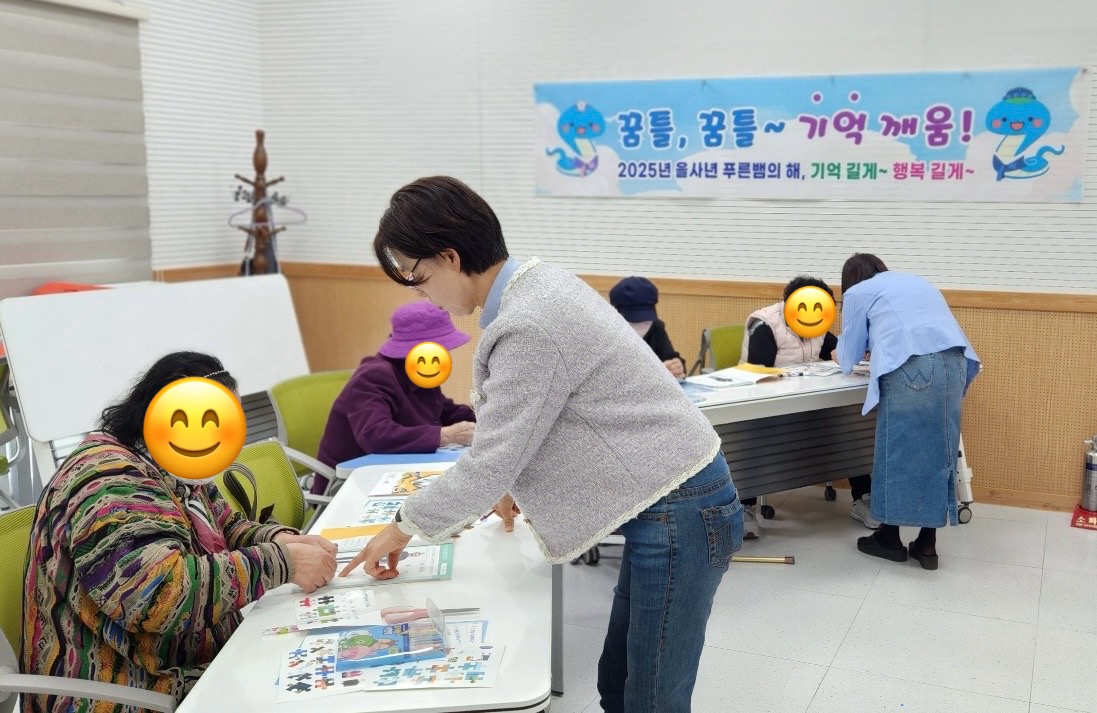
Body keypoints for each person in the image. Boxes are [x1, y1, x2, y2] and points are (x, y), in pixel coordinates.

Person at [340, 176, 743, 713]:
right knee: (620, 686)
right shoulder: (536, 283)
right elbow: (538, 421)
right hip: (672, 500)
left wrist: (401, 527)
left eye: (419, 277)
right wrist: (512, 484)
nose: (421, 293)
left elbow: (491, 460)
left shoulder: (528, 322)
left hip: (680, 507)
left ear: (450, 258)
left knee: (648, 699)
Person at [22, 352, 338, 712]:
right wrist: (280, 562)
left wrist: (278, 540)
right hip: (124, 688)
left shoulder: (169, 461)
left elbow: (224, 526)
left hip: (185, 665)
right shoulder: (108, 481)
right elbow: (158, 595)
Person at [835, 254, 980, 570]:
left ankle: (889, 539)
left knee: (895, 451)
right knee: (940, 452)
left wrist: (838, 354)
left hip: (914, 367)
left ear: (850, 280)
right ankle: (927, 545)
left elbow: (848, 356)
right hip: (956, 363)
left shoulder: (858, 292)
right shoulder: (916, 282)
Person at [740, 275, 877, 538]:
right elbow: (760, 372)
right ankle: (744, 507)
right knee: (756, 435)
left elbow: (837, 351)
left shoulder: (818, 324)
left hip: (808, 401)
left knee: (848, 428)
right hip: (767, 403)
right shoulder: (764, 324)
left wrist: (853, 352)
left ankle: (863, 497)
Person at [313, 301, 476, 493]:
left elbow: (444, 411)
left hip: (390, 475)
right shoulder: (373, 377)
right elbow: (376, 435)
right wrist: (446, 435)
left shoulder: (420, 373)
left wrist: (487, 413)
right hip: (347, 487)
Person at [608, 276, 687, 378]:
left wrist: (677, 367)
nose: (641, 327)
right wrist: (653, 372)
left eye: (646, 322)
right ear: (615, 312)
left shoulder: (656, 328)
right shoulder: (603, 333)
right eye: (633, 321)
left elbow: (669, 357)